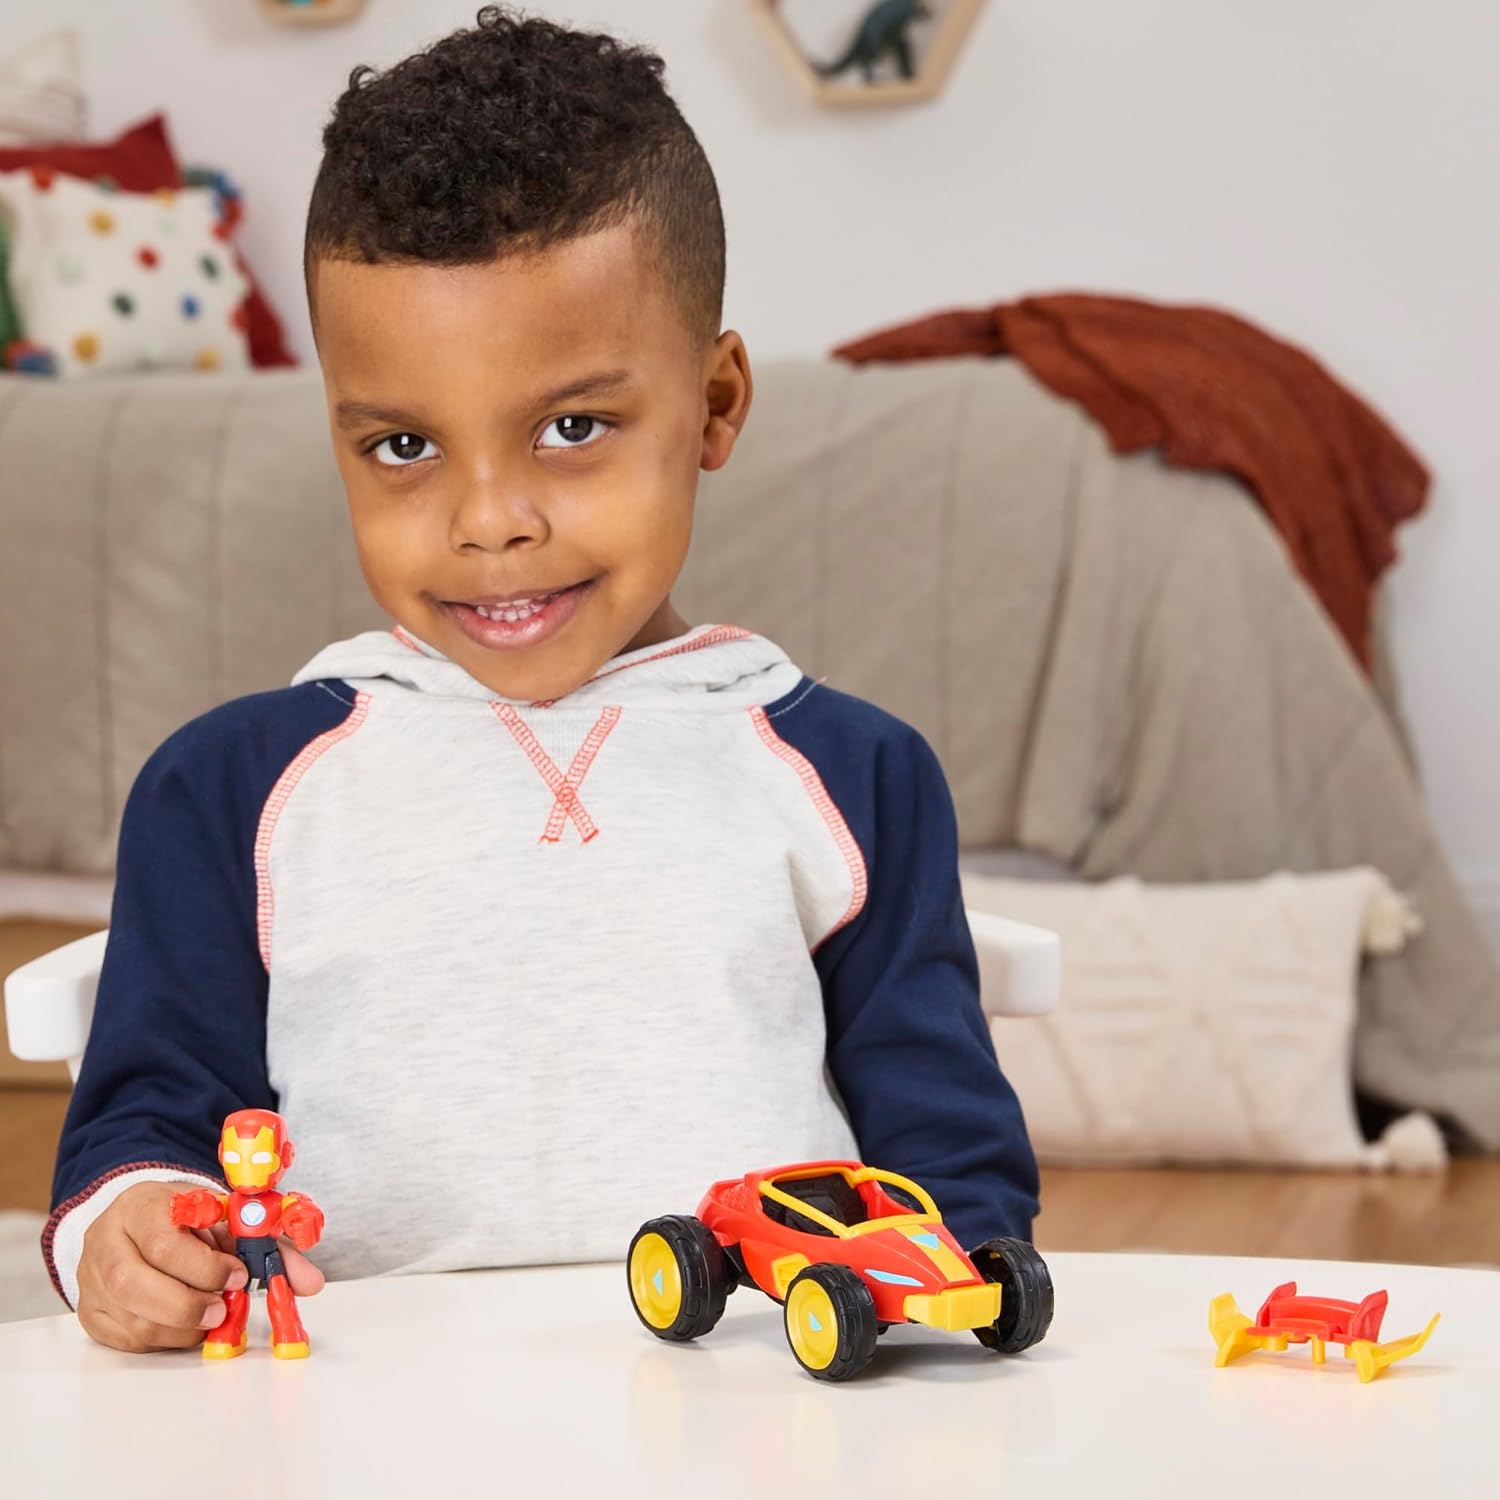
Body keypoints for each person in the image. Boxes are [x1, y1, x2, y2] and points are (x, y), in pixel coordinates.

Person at [49, 5, 1039, 1354]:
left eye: (573, 427)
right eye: (403, 447)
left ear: (716, 405)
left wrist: (963, 1306)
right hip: (358, 1413)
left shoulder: (856, 776)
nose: (489, 522)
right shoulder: (229, 790)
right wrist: (129, 1232)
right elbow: (144, 1123)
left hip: (758, 1404)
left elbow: (948, 1152)